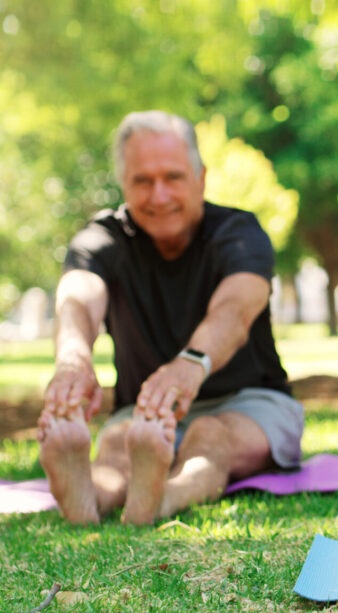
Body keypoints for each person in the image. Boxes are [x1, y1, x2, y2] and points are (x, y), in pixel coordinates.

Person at [37, 110, 303, 526]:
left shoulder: (239, 232)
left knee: (210, 437)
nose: (158, 195)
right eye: (142, 181)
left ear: (201, 177)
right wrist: (73, 360)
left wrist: (190, 365)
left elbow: (234, 311)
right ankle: (88, 497)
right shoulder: (101, 239)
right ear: (124, 184)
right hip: (144, 414)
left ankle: (159, 500)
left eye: (173, 177)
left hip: (247, 402)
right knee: (119, 450)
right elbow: (79, 300)